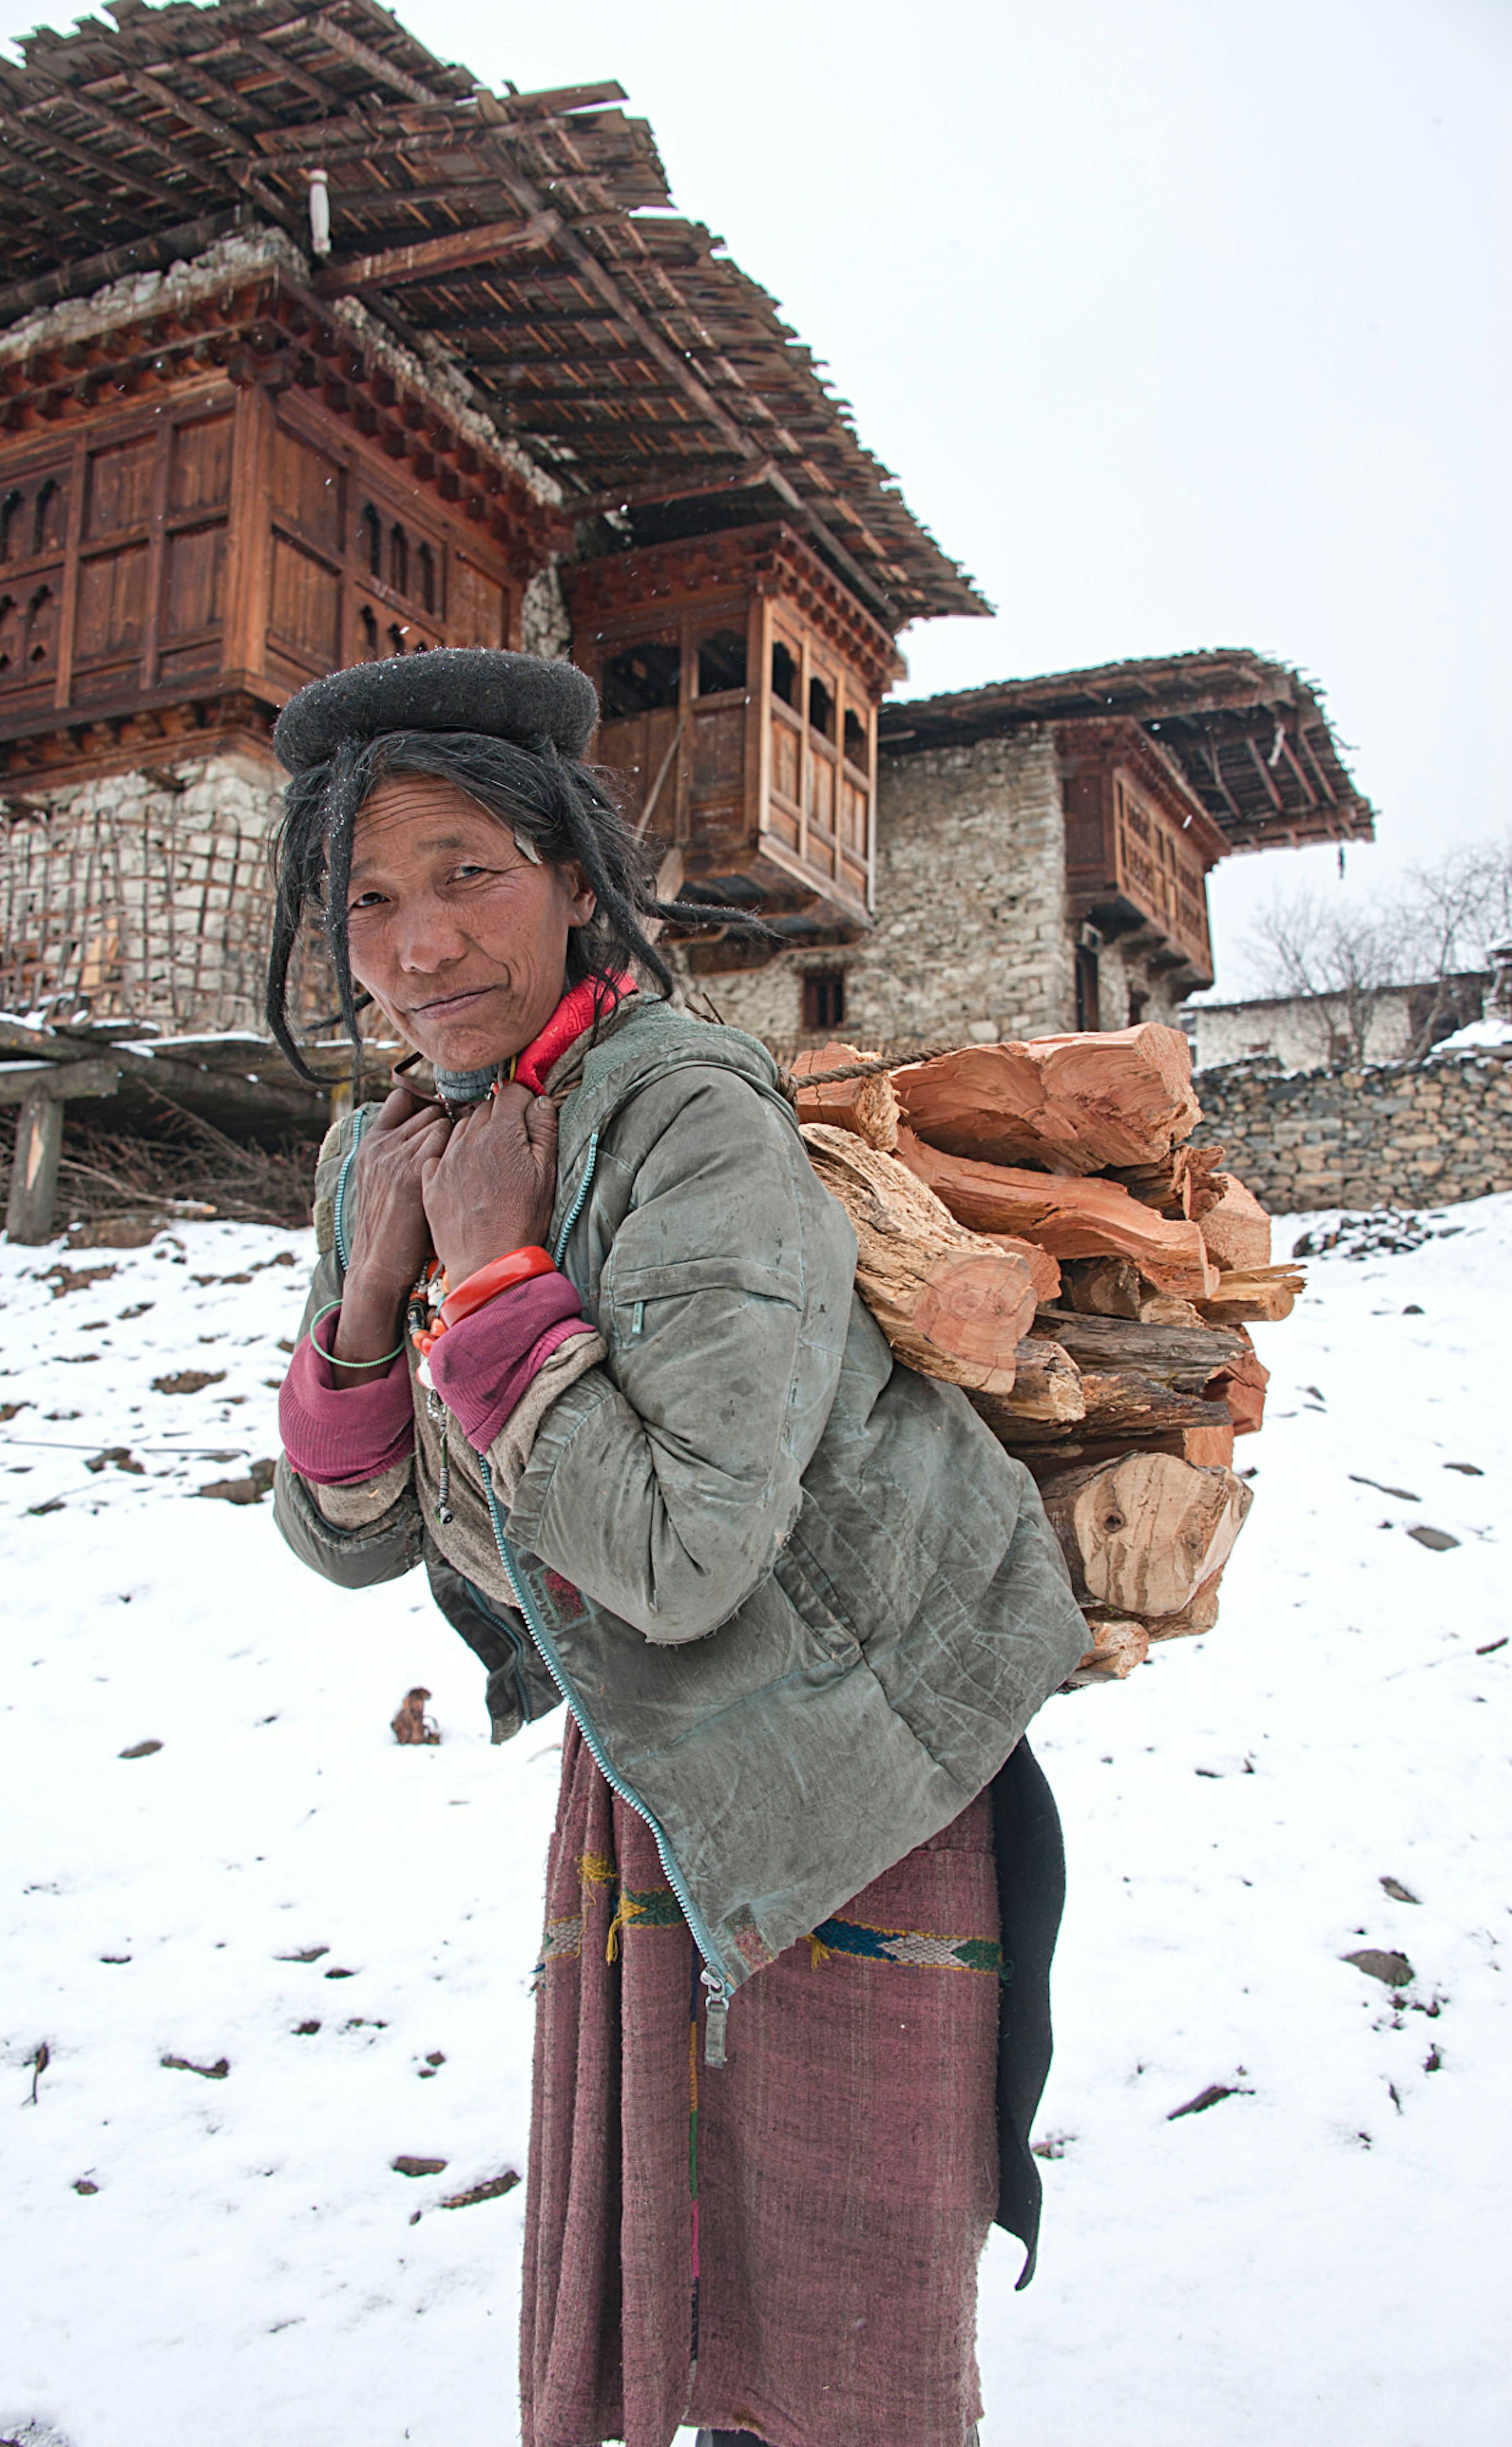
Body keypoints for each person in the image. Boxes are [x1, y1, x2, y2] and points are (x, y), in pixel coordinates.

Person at [268, 648, 1088, 2447]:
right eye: (371, 903)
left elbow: (688, 1550)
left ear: (574, 879)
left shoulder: (682, 1113)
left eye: (469, 872)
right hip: (654, 1758)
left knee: (838, 2334)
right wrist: (377, 1293)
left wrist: (493, 1282)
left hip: (856, 1758)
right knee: (666, 2290)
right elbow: (350, 1538)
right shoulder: (389, 1148)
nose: (422, 948)